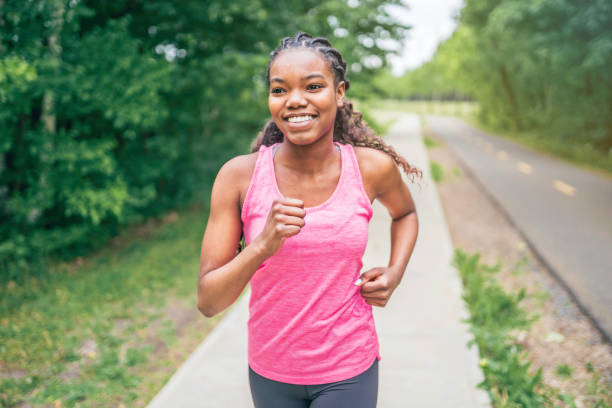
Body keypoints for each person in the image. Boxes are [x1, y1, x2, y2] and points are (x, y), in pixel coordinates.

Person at [197, 32, 421, 408]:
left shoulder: (370, 168)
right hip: (271, 371)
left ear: (339, 92)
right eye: (279, 90)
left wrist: (395, 271)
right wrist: (262, 246)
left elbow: (406, 214)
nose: (295, 100)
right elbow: (208, 300)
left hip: (348, 368)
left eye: (313, 86)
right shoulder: (238, 177)